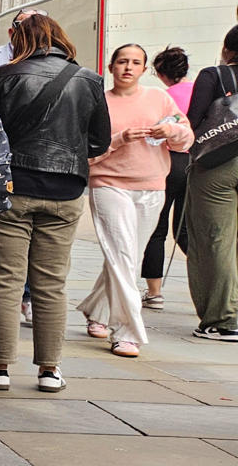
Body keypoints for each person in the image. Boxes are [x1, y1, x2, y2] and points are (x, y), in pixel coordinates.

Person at [0, 12, 109, 393]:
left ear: (17, 38)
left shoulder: (1, 77)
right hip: (65, 191)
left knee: (5, 282)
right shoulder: (89, 80)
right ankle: (50, 370)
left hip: (11, 189)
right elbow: (99, 142)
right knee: (51, 284)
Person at [77, 44, 193, 357]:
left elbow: (187, 136)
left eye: (136, 62)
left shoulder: (159, 98)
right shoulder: (98, 103)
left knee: (126, 256)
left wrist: (170, 129)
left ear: (144, 69)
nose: (128, 67)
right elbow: (84, 154)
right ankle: (126, 331)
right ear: (112, 67)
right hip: (108, 184)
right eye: (122, 62)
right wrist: (119, 140)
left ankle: (97, 309)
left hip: (153, 186)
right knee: (124, 256)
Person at [183, 25, 238, 341]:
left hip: (218, 166)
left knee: (214, 241)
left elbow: (191, 121)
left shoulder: (214, 75)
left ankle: (222, 319)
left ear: (228, 49)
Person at [143, 45, 193, 309]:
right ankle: (211, 278)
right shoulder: (199, 90)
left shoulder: (164, 98)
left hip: (169, 162)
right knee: (185, 230)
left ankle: (154, 292)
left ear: (161, 73)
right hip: (195, 164)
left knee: (158, 228)